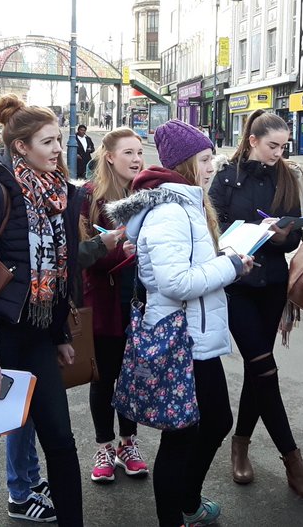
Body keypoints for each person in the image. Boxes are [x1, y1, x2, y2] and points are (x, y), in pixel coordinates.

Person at [105, 119, 255, 527]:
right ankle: (179, 513)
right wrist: (230, 266)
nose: (212, 167)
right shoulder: (171, 210)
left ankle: (186, 504)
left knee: (211, 422)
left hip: (193, 335)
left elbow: (185, 265)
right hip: (181, 337)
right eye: (205, 159)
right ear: (187, 163)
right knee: (183, 435)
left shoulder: (185, 202)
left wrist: (223, 257)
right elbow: (174, 282)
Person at [0, 94, 83, 527]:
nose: (57, 150)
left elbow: (57, 274)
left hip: (36, 338)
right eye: (47, 142)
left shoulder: (55, 196)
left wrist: (61, 335)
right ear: (21, 147)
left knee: (62, 442)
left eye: (60, 141)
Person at [207, 109, 303, 500]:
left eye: (283, 146)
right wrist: (239, 241)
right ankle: (293, 460)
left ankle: (240, 443)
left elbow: (294, 237)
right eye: (272, 145)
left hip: (273, 283)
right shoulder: (225, 176)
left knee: (262, 371)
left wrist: (280, 238)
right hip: (237, 283)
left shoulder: (287, 175)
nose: (278, 153)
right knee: (264, 367)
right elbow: (213, 226)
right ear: (253, 140)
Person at [79, 128, 150, 484]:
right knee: (105, 377)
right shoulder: (89, 197)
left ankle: (128, 443)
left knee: (133, 378)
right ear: (109, 156)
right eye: (128, 153)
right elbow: (80, 256)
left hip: (141, 301)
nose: (137, 159)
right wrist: (115, 251)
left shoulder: (148, 195)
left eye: (139, 152)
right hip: (106, 301)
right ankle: (104, 446)